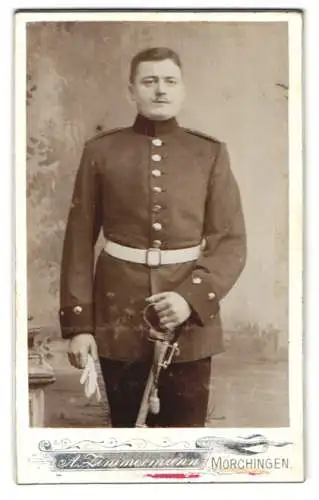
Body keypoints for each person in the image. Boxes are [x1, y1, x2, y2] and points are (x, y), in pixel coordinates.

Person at [59, 47, 247, 428]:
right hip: (118, 315)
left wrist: (189, 299)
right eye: (149, 81)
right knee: (128, 433)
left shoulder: (208, 153)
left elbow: (230, 241)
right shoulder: (101, 151)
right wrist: (79, 327)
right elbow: (79, 240)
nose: (160, 90)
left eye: (169, 81)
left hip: (189, 319)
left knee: (186, 439)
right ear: (132, 91)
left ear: (182, 90)